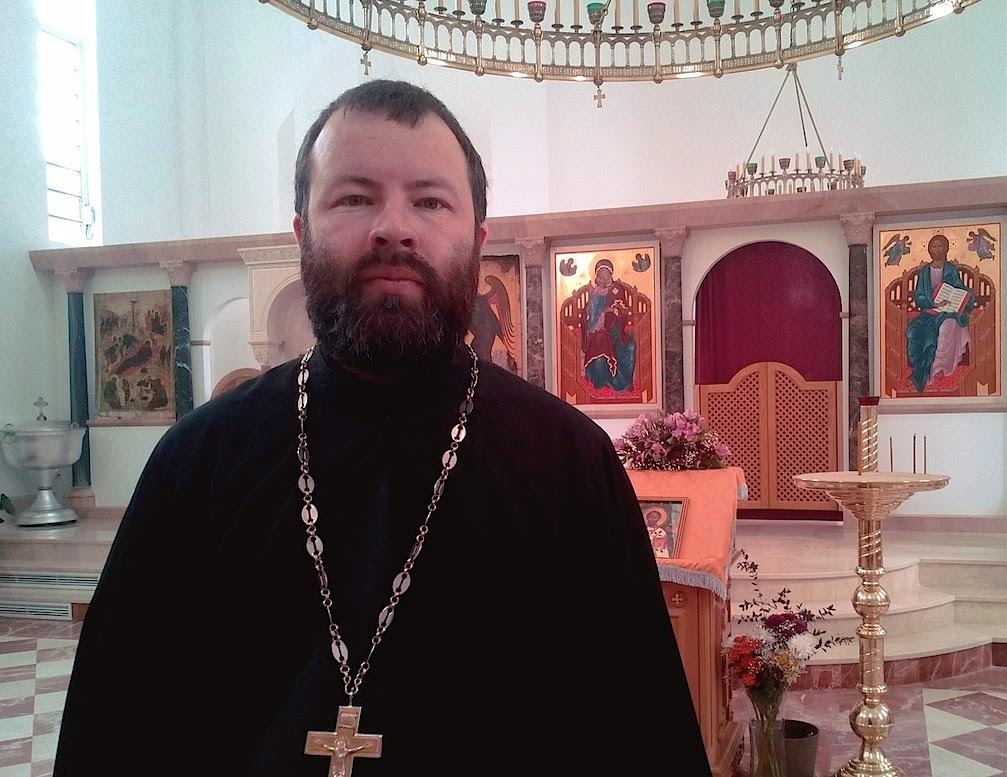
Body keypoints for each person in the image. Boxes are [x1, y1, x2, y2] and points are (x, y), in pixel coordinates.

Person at [54, 80, 709, 776]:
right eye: (354, 198)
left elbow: (639, 735)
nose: (393, 228)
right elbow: (114, 734)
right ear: (301, 233)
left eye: (430, 201)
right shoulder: (198, 462)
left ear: (477, 242)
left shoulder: (568, 464)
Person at [905, 234, 975, 392]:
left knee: (947, 327)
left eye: (940, 246)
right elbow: (919, 295)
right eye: (934, 246)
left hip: (948, 312)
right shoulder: (925, 271)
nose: (937, 249)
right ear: (929, 249)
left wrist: (961, 295)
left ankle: (939, 368)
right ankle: (919, 373)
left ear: (946, 248)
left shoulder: (951, 269)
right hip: (929, 311)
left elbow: (958, 287)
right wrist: (934, 303)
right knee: (913, 331)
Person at [577, 258, 637, 392]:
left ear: (610, 273)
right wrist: (590, 318)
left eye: (605, 272)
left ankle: (624, 383)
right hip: (597, 329)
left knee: (630, 345)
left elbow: (622, 309)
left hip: (615, 328)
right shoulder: (595, 292)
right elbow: (588, 311)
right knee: (600, 341)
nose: (602, 275)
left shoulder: (616, 289)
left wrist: (610, 311)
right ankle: (601, 381)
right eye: (600, 272)